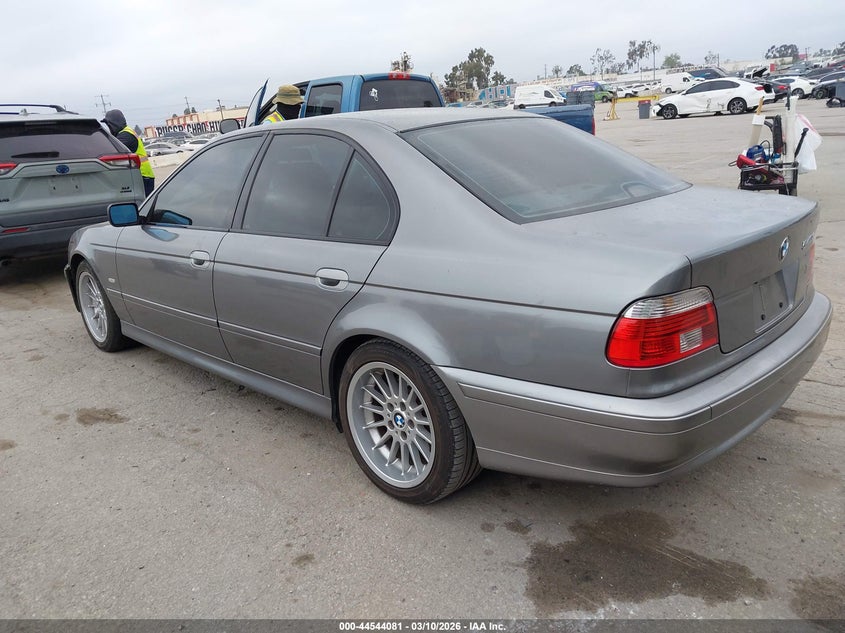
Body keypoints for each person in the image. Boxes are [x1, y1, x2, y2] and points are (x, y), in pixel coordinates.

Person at [101, 109, 155, 197]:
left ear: (114, 124)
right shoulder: (128, 131)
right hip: (141, 175)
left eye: (109, 125)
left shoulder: (126, 135)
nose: (109, 128)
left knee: (142, 206)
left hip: (142, 176)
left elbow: (110, 150)